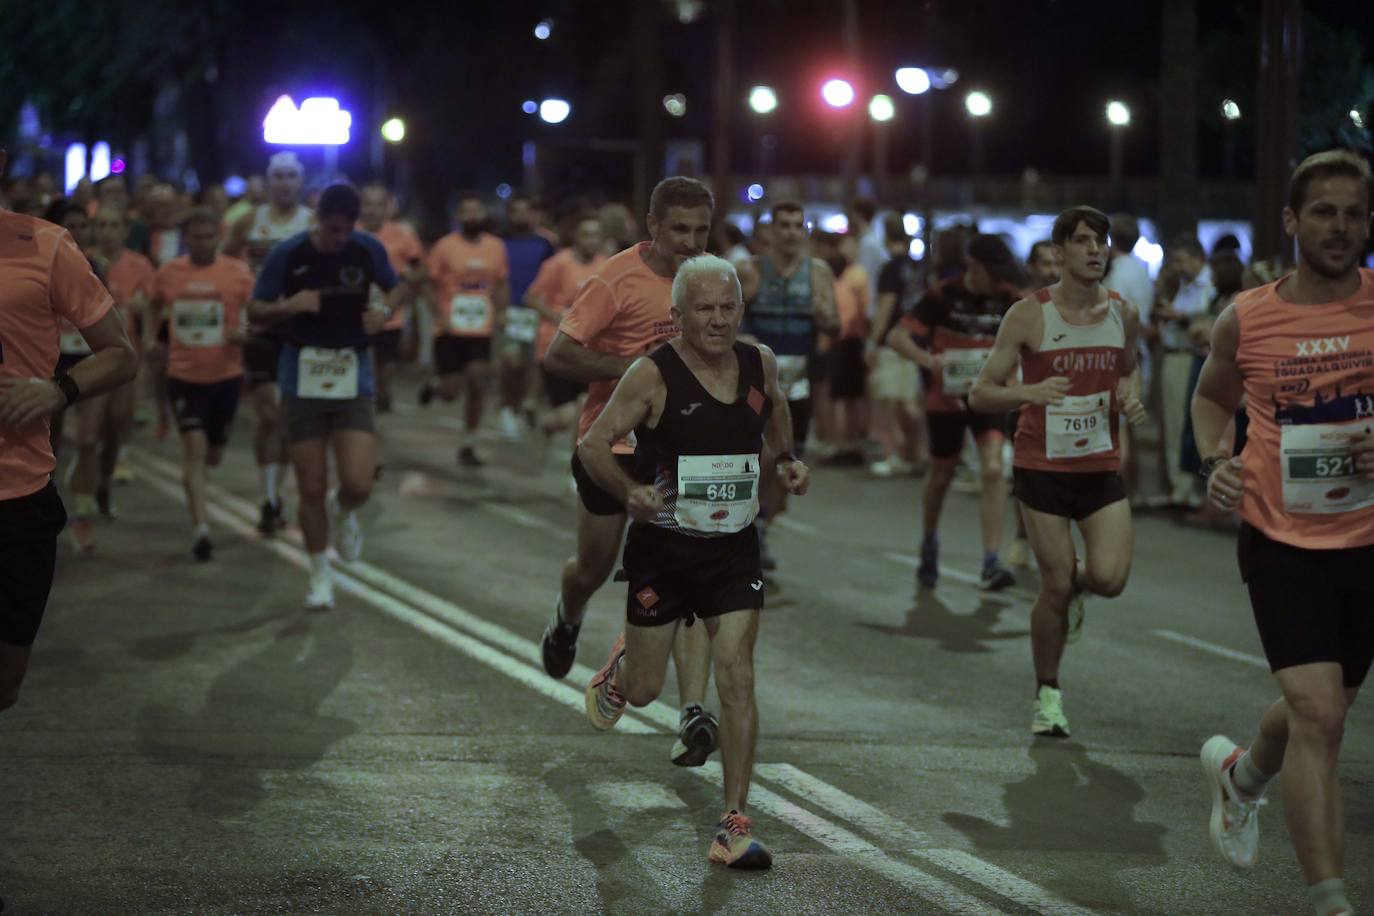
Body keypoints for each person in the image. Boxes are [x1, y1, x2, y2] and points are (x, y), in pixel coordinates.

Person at [580, 254, 809, 870]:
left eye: (727, 307)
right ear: (677, 315)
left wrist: (786, 459)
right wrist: (629, 493)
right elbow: (592, 443)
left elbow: (777, 409)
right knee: (650, 691)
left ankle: (733, 824)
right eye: (703, 309)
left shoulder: (759, 361)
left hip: (734, 548)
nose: (717, 320)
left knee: (736, 676)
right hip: (665, 550)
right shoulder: (651, 375)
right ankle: (624, 665)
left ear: (741, 308)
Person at [1191, 149, 1373, 916]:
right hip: (1281, 538)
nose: (1341, 227)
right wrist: (1215, 461)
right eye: (1325, 212)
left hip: (1367, 540)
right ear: (1292, 221)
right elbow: (1210, 398)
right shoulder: (1250, 317)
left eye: (1356, 213)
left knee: (1325, 705)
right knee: (1321, 716)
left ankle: (1240, 775)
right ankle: (1332, 901)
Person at [539, 176, 720, 768]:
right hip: (610, 445)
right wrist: (633, 366)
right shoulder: (615, 279)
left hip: (676, 450)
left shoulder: (709, 279)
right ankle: (568, 619)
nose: (692, 243)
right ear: (652, 226)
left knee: (684, 574)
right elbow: (559, 355)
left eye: (701, 230)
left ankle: (692, 712)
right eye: (680, 231)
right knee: (591, 568)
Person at [969, 205, 1147, 738]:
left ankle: (1076, 595)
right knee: (1055, 582)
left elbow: (1130, 371)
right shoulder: (1029, 315)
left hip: (1098, 465)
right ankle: (1048, 694)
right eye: (1085, 241)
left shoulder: (1124, 312)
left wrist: (1129, 397)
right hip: (1042, 465)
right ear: (1059, 251)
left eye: (1103, 241)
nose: (1097, 250)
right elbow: (981, 393)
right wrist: (1029, 392)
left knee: (1109, 579)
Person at [1, 145, 139, 713]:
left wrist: (57, 390)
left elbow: (120, 354)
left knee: (4, 686)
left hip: (18, 494)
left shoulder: (46, 244)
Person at [247, 184, 414, 609]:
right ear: (317, 217)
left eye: (346, 230)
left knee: (358, 481)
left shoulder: (366, 249)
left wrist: (386, 311)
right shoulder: (289, 254)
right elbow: (255, 310)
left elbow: (397, 287)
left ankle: (345, 510)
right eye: (332, 229)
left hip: (351, 367)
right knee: (310, 484)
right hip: (301, 369)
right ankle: (320, 574)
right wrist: (289, 306)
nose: (339, 238)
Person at [888, 235, 1025, 590]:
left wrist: (1015, 373)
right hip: (945, 400)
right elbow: (897, 337)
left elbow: (1028, 344)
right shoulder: (942, 295)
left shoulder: (1009, 298)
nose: (997, 281)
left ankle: (991, 560)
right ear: (973, 266)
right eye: (990, 273)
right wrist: (928, 361)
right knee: (941, 474)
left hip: (986, 397)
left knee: (994, 469)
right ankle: (930, 539)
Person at [737, 201, 837, 570]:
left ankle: (763, 520)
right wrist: (743, 339)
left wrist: (826, 319)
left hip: (798, 383)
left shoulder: (818, 273)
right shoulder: (750, 270)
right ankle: (749, 525)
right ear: (770, 232)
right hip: (758, 381)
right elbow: (726, 320)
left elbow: (835, 327)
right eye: (784, 225)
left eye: (798, 225)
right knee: (764, 455)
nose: (791, 232)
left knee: (790, 463)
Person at [151, 208, 254, 559]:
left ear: (218, 237)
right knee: (193, 452)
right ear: (186, 238)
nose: (204, 243)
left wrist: (245, 332)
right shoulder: (169, 273)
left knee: (213, 454)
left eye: (210, 236)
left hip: (226, 376)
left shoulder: (238, 274)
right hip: (183, 376)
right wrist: (154, 339)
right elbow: (152, 304)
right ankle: (201, 529)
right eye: (196, 236)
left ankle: (203, 503)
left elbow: (254, 314)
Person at [223, 152, 313, 534]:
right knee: (268, 414)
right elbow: (221, 264)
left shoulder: (312, 223)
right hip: (260, 328)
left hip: (301, 330)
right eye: (278, 176)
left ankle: (280, 493)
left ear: (301, 181)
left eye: (292, 176)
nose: (285, 183)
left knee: (289, 417)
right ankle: (269, 499)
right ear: (267, 180)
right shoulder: (248, 222)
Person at [424, 191, 509, 467]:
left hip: (480, 329)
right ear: (458, 217)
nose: (472, 216)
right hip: (449, 328)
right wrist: (439, 315)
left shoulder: (496, 247)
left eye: (477, 211)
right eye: (466, 211)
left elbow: (502, 282)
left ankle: (469, 443)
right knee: (451, 391)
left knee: (477, 379)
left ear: (484, 215)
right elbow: (427, 283)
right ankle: (435, 386)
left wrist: (501, 312)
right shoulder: (444, 246)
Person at [84, 204, 156, 505]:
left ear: (124, 231)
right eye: (101, 225)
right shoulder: (79, 259)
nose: (107, 232)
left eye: (114, 226)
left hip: (125, 356)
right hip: (86, 357)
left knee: (116, 424)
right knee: (88, 435)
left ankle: (104, 479)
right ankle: (83, 501)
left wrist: (150, 339)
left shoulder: (139, 265)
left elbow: (151, 309)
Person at [524, 211, 606, 446]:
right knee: (569, 414)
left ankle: (576, 470)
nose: (592, 240)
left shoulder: (605, 265)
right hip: (555, 345)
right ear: (575, 236)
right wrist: (558, 318)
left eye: (596, 235)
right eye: (586, 234)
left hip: (589, 349)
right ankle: (547, 424)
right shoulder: (558, 263)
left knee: (584, 408)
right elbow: (531, 297)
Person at [1006, 241, 1064, 566]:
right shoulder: (1018, 304)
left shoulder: (1075, 305)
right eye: (1044, 263)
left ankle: (1060, 549)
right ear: (1031, 266)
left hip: (1066, 401)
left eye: (1056, 263)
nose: (1052, 270)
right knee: (1024, 474)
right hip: (1025, 398)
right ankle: (1021, 536)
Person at [866, 216, 927, 477]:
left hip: (892, 341)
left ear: (887, 239)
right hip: (915, 340)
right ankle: (917, 453)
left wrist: (872, 341)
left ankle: (895, 455)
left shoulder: (890, 268)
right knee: (910, 402)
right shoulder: (917, 268)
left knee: (890, 402)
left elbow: (885, 306)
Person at [1157, 234, 1215, 507]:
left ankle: (1189, 485)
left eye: (1182, 261)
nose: (1178, 267)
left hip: (1190, 356)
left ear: (1197, 257)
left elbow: (1207, 315)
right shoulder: (1184, 284)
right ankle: (1179, 486)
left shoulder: (1208, 284)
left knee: (1186, 422)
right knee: (1173, 422)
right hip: (1174, 354)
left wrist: (1181, 317)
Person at [1104, 214, 1157, 504]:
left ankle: (1121, 491)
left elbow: (1117, 317)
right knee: (1129, 428)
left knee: (1119, 427)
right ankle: (1132, 490)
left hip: (1125, 354)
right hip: (1140, 353)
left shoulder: (1120, 273)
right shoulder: (1140, 270)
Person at [358, 184, 425, 412]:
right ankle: (364, 405)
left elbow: (420, 270)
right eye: (368, 204)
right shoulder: (350, 232)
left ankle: (382, 393)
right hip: (357, 313)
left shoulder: (402, 234)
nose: (372, 210)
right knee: (363, 363)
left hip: (391, 313)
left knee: (384, 369)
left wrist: (406, 281)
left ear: (387, 207)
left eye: (378, 205)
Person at [498, 194, 557, 439]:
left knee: (535, 363)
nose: (521, 216)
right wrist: (499, 309)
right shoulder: (499, 242)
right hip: (511, 310)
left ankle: (527, 405)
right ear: (509, 214)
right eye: (516, 211)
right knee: (512, 363)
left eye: (526, 210)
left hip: (537, 310)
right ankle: (508, 406)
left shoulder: (546, 243)